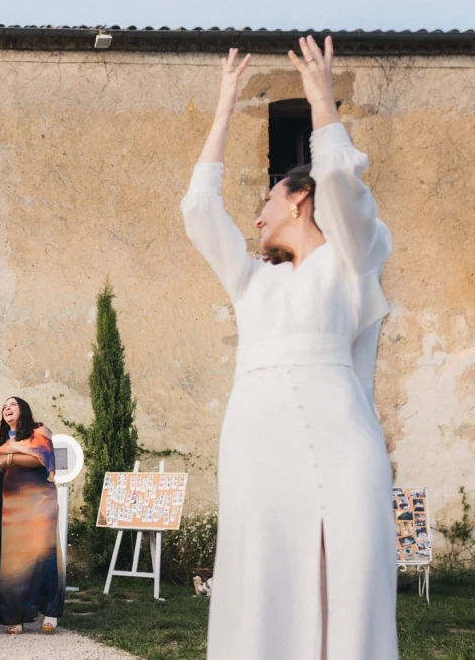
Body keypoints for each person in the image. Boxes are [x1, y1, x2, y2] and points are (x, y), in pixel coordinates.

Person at [182, 39, 397, 660]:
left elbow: (337, 177)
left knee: (352, 578)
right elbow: (199, 209)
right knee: (262, 581)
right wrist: (224, 108)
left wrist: (322, 99)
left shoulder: (356, 258)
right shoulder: (252, 279)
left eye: (266, 200)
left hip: (344, 441)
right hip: (257, 444)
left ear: (299, 198)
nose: (255, 218)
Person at [0, 397, 63, 634]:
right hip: (13, 508)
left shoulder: (38, 430)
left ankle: (51, 612)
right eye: (4, 406)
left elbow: (41, 458)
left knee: (44, 556)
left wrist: (9, 458)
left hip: (39, 503)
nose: (7, 408)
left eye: (12, 404)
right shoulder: (0, 440)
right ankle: (16, 614)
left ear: (23, 409)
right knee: (14, 563)